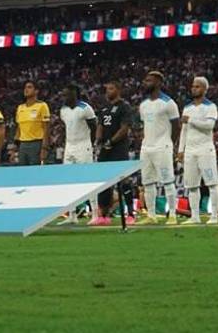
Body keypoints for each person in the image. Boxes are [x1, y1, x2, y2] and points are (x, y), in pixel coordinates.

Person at [137, 70, 181, 225]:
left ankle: (173, 215)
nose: (145, 83)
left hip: (162, 147)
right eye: (145, 80)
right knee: (147, 182)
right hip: (146, 148)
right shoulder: (143, 104)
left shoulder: (168, 103)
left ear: (158, 83)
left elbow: (177, 126)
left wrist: (169, 143)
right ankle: (151, 215)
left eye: (149, 81)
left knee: (167, 181)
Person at [177, 76, 218, 226]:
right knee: (192, 185)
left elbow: (209, 126)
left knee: (212, 183)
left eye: (197, 86)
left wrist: (191, 120)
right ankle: (195, 216)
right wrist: (181, 149)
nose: (194, 88)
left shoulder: (210, 107)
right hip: (190, 150)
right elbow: (184, 130)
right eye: (193, 86)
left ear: (204, 89)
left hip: (205, 149)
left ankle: (214, 216)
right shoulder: (187, 108)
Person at [93, 79, 134, 226]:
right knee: (104, 182)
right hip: (105, 149)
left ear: (118, 90)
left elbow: (124, 128)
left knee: (124, 180)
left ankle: (130, 214)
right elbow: (100, 125)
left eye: (110, 89)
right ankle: (104, 215)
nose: (107, 92)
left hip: (119, 148)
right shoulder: (104, 108)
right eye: (107, 89)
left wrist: (112, 141)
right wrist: (98, 140)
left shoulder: (124, 107)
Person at [57, 84, 98, 224]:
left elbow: (94, 126)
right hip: (69, 146)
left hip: (83, 145)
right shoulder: (63, 110)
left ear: (74, 94)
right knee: (68, 180)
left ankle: (95, 214)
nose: (64, 97)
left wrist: (90, 144)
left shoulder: (85, 108)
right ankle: (72, 215)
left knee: (89, 179)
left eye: (66, 94)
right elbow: (66, 127)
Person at [14, 80, 51, 165]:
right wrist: (15, 147)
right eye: (25, 87)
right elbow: (19, 128)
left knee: (35, 171)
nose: (26, 89)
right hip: (22, 144)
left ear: (36, 91)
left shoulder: (42, 105)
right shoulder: (20, 108)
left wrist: (45, 147)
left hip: (36, 143)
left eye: (29, 87)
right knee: (22, 171)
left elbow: (47, 128)